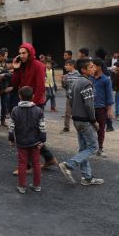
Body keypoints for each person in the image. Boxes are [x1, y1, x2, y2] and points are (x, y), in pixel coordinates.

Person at [10, 43, 58, 171]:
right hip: (23, 102)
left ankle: (28, 165)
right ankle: (48, 159)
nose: (21, 55)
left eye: (24, 53)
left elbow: (41, 88)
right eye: (20, 53)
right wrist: (15, 69)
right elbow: (15, 84)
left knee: (31, 133)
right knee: (30, 133)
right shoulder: (21, 65)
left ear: (30, 52)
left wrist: (33, 105)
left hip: (35, 104)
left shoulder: (38, 65)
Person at [58, 58, 103, 186]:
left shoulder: (74, 82)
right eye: (91, 67)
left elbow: (70, 100)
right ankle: (69, 164)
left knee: (83, 148)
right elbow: (89, 105)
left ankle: (86, 177)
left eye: (94, 67)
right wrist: (94, 121)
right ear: (84, 70)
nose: (94, 69)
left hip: (76, 119)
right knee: (93, 147)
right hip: (85, 120)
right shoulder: (86, 83)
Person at [8, 85, 46, 194]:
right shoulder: (38, 110)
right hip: (35, 141)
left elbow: (11, 126)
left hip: (21, 142)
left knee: (22, 163)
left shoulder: (15, 110)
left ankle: (22, 186)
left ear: (20, 96)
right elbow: (42, 126)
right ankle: (37, 185)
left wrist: (11, 138)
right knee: (36, 163)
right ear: (33, 96)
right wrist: (42, 140)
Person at [92, 59, 114, 156]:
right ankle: (90, 147)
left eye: (93, 66)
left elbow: (109, 95)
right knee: (89, 129)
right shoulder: (89, 78)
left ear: (99, 67)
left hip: (101, 108)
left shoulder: (105, 80)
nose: (92, 68)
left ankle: (100, 148)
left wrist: (109, 109)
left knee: (101, 129)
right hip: (89, 108)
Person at [61, 58, 76, 132]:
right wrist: (63, 81)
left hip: (77, 98)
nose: (65, 67)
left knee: (78, 113)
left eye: (66, 65)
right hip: (69, 97)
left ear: (72, 66)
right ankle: (66, 127)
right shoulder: (65, 76)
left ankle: (79, 126)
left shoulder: (78, 75)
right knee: (67, 113)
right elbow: (64, 86)